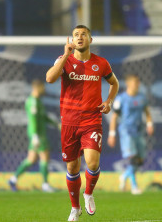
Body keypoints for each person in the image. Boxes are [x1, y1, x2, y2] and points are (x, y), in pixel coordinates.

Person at [46, 25, 119, 221]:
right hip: (69, 121)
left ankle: (88, 193)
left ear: (90, 40)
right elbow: (50, 78)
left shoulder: (101, 63)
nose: (79, 38)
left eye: (83, 35)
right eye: (76, 35)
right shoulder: (64, 61)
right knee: (72, 168)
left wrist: (109, 101)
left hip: (91, 119)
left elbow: (114, 83)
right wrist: (64, 56)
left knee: (93, 162)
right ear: (71, 40)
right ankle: (75, 208)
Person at [8, 79, 59, 192]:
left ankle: (13, 179)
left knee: (31, 159)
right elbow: (33, 120)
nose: (44, 89)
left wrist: (56, 124)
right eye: (43, 87)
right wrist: (35, 135)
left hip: (39, 133)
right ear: (37, 87)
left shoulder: (38, 101)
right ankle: (45, 184)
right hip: (37, 134)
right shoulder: (32, 102)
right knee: (45, 156)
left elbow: (43, 117)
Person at [107, 74, 154, 195]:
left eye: (138, 83)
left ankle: (125, 175)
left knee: (140, 160)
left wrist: (149, 124)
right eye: (134, 83)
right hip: (126, 131)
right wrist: (112, 134)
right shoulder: (121, 99)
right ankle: (134, 186)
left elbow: (147, 112)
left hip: (138, 131)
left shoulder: (142, 98)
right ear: (128, 84)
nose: (137, 85)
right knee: (133, 159)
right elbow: (114, 117)